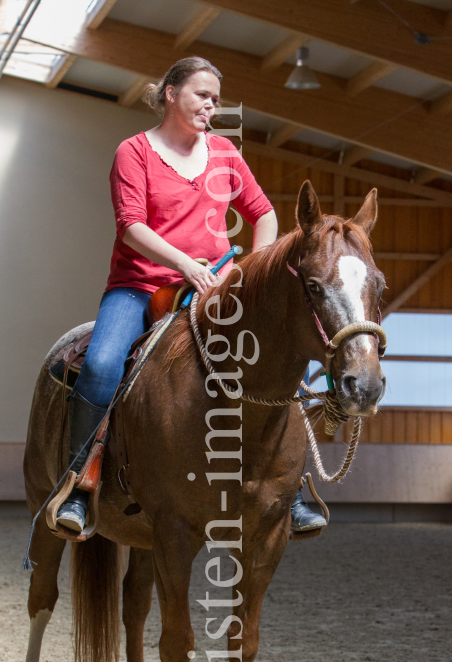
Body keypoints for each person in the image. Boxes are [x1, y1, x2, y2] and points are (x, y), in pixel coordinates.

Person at [56, 56, 326, 535]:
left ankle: (294, 487)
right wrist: (184, 264)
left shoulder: (223, 152)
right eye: (202, 94)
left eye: (216, 99)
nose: (211, 106)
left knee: (283, 357)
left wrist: (252, 272)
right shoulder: (133, 152)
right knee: (100, 366)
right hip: (140, 286)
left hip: (220, 284)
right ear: (170, 93)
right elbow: (131, 226)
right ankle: (80, 484)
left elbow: (263, 214)